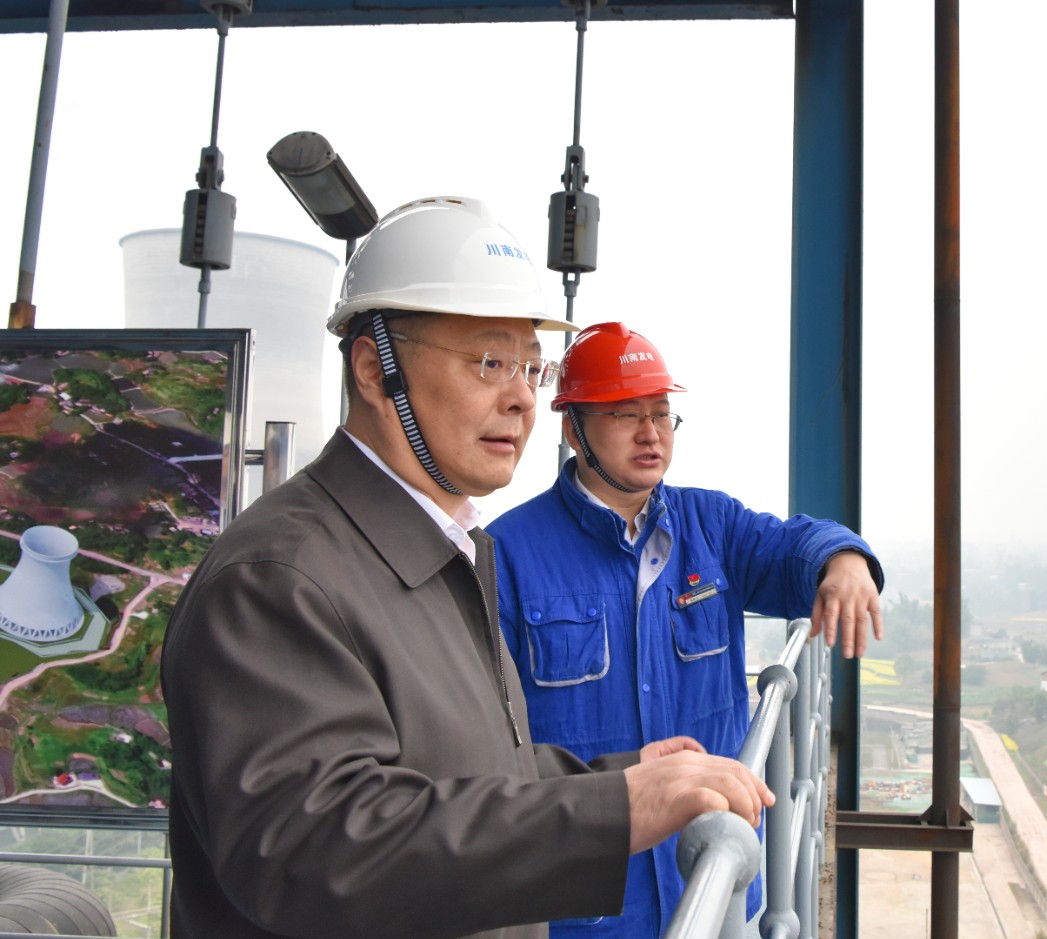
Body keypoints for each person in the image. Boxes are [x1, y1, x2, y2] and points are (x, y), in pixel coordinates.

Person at [160, 199, 772, 939]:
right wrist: (616, 810)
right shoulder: (277, 580)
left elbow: (465, 769)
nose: (521, 397)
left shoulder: (446, 549)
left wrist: (617, 776)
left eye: (530, 367)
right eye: (489, 363)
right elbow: (314, 852)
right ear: (374, 370)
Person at [488, 321, 885, 938]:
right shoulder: (506, 555)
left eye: (662, 414)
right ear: (573, 430)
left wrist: (846, 559)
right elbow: (491, 747)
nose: (651, 433)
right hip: (588, 904)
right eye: (626, 414)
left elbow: (793, 547)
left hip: (716, 875)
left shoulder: (713, 526)